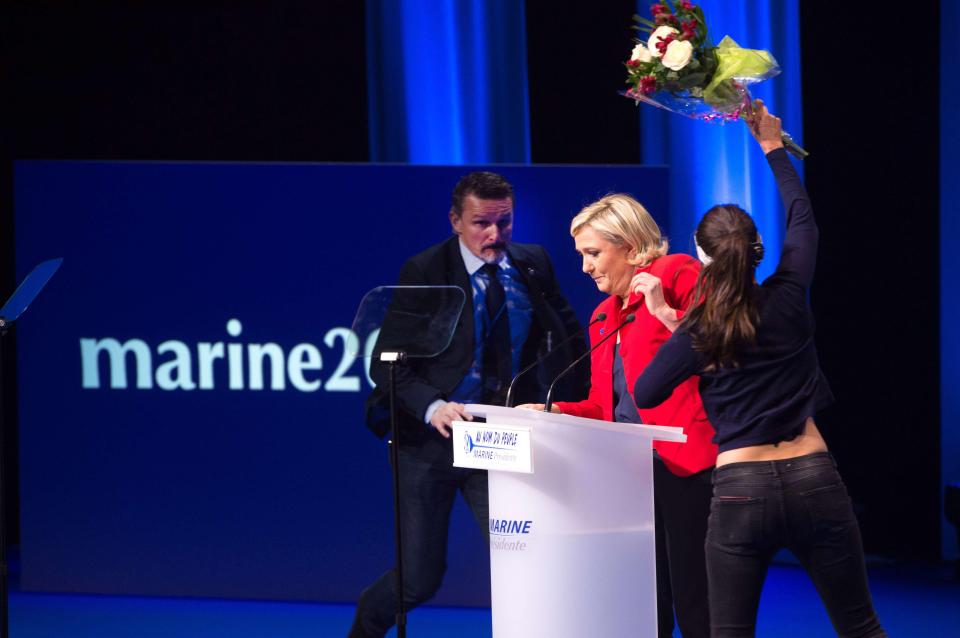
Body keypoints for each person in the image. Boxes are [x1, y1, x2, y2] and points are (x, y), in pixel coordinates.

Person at [633, 101, 886, 637]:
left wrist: (670, 320)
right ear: (757, 250)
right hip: (816, 478)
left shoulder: (702, 330)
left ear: (702, 259)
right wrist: (772, 147)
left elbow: (648, 391)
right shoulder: (790, 295)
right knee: (861, 628)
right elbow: (804, 219)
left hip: (740, 490)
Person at [349, 171, 589, 638]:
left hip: (501, 439)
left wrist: (574, 407)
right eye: (482, 223)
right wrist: (432, 405)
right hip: (431, 442)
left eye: (505, 222)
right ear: (455, 220)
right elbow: (386, 364)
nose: (495, 236)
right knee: (418, 579)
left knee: (527, 563)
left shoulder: (533, 263)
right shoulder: (426, 271)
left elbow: (568, 340)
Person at [519, 193, 717, 637]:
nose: (586, 267)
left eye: (593, 253)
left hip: (685, 464)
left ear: (629, 246)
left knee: (695, 596)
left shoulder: (676, 271)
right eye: (581, 256)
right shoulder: (602, 316)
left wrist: (665, 312)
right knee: (644, 599)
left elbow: (722, 342)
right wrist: (550, 410)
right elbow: (604, 407)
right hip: (627, 474)